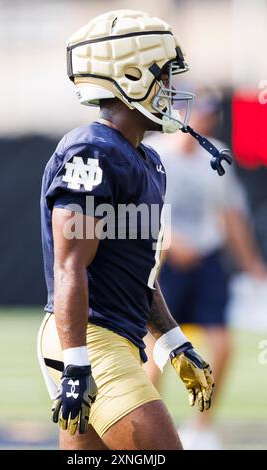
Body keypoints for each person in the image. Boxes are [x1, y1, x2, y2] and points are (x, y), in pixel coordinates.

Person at [37, 10, 216, 451]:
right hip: (89, 339)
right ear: (132, 78)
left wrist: (173, 342)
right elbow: (70, 264)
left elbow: (141, 276)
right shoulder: (92, 151)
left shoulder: (147, 161)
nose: (172, 91)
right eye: (165, 77)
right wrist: (77, 364)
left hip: (116, 337)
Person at [143, 91, 267, 449]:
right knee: (156, 352)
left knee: (223, 346)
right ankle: (154, 429)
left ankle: (201, 425)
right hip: (165, 262)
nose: (203, 121)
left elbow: (230, 215)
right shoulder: (155, 151)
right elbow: (138, 208)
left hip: (207, 260)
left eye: (209, 115)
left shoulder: (214, 154)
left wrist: (251, 264)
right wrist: (169, 239)